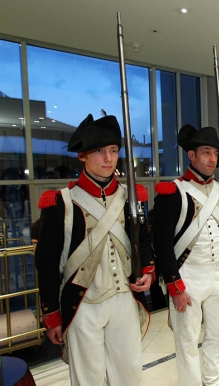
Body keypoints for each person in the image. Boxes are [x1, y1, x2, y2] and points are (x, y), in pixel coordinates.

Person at [35, 114, 154, 386]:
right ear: (82, 156)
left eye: (113, 151)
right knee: (88, 378)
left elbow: (141, 240)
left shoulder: (129, 197)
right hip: (83, 303)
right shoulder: (60, 203)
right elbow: (47, 262)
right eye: (99, 151)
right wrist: (52, 313)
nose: (108, 159)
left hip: (124, 298)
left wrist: (147, 269)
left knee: (129, 374)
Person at [152, 125, 219, 385]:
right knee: (187, 342)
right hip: (188, 278)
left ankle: (212, 381)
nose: (212, 159)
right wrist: (174, 284)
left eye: (215, 153)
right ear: (191, 155)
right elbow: (162, 245)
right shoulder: (173, 192)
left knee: (217, 337)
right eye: (206, 152)